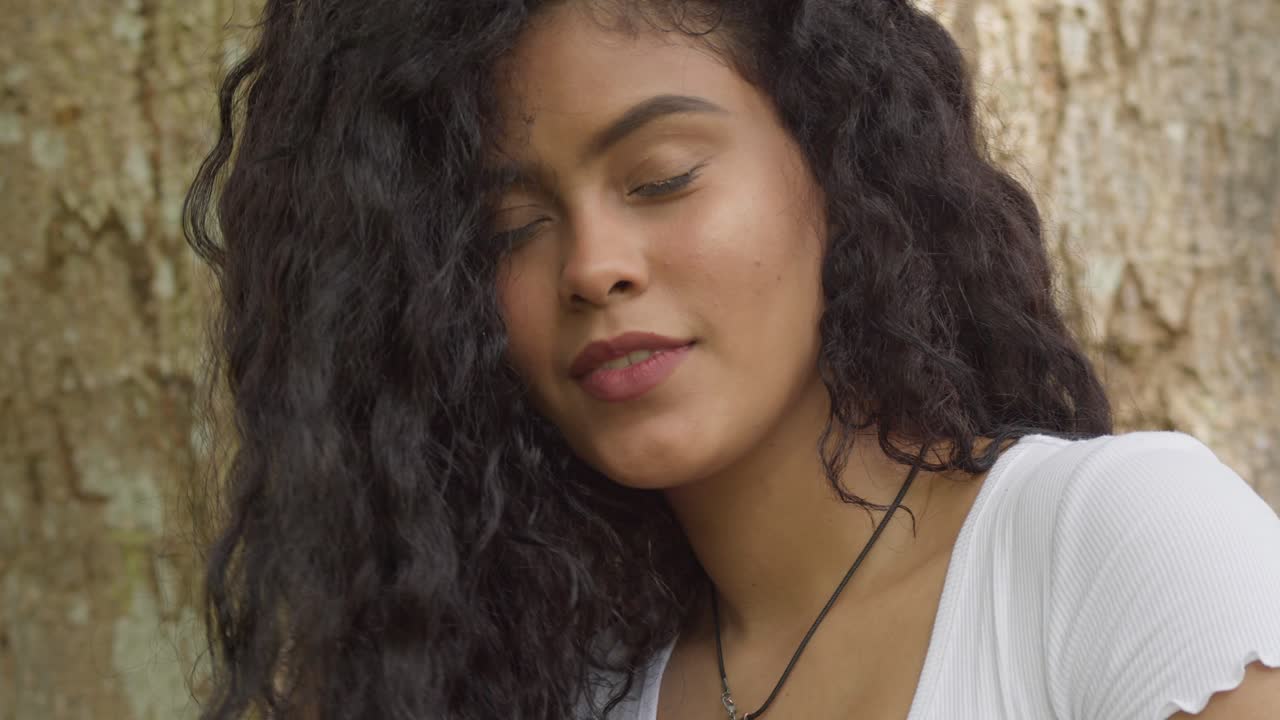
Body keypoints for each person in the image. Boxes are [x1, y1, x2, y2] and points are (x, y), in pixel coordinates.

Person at [182, 1, 1280, 718]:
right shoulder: (564, 694)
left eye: (659, 177)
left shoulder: (1112, 554)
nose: (593, 266)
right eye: (508, 228)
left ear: (839, 163)